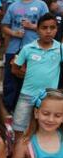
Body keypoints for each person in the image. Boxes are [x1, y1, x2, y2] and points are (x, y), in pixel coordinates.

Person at [11, 13, 61, 141]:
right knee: (19, 127)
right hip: (27, 94)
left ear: (56, 29)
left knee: (45, 127)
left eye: (52, 27)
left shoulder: (60, 49)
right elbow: (15, 68)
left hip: (49, 98)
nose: (48, 31)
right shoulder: (28, 48)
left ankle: (37, 153)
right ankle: (18, 153)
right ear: (37, 29)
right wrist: (26, 75)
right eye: (44, 28)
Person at [1, 0, 49, 113]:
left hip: (34, 49)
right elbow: (4, 26)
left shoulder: (41, 5)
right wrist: (14, 33)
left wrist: (31, 26)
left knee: (29, 80)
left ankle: (29, 109)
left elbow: (48, 26)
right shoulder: (13, 5)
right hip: (13, 48)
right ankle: (8, 108)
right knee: (10, 81)